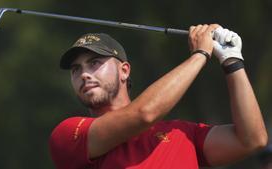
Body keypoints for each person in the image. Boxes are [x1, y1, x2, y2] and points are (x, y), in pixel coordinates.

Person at [49, 24, 268, 169]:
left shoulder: (182, 133)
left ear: (124, 71)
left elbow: (252, 140)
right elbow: (144, 114)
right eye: (76, 69)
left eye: (94, 63)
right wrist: (201, 54)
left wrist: (232, 61)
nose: (84, 74)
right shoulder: (68, 133)